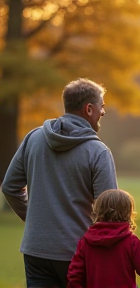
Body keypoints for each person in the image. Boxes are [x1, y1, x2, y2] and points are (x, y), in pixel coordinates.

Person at [1, 78, 118, 288]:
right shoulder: (98, 152)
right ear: (89, 109)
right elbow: (110, 211)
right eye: (102, 107)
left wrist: (35, 220)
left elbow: (9, 187)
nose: (103, 112)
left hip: (36, 250)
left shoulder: (33, 139)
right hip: (78, 252)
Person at [67, 188, 140, 288]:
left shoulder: (86, 242)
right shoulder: (131, 242)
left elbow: (74, 275)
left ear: (98, 211)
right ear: (128, 213)